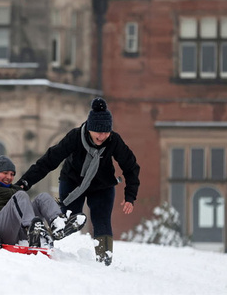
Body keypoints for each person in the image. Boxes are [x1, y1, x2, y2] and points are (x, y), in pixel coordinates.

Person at [15, 97, 140, 265]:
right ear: (89, 128)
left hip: (102, 185)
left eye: (106, 132)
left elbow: (130, 166)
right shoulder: (75, 137)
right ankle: (42, 238)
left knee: (101, 219)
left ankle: (104, 262)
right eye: (98, 131)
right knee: (70, 218)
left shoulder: (114, 141)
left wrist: (130, 196)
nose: (102, 136)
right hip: (73, 182)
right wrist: (26, 181)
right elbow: (50, 160)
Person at [0, 155, 86, 248]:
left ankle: (57, 225)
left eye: (12, 174)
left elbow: (26, 209)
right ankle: (33, 231)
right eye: (5, 173)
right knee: (21, 195)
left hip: (17, 231)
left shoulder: (15, 189)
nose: (9, 177)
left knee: (42, 197)